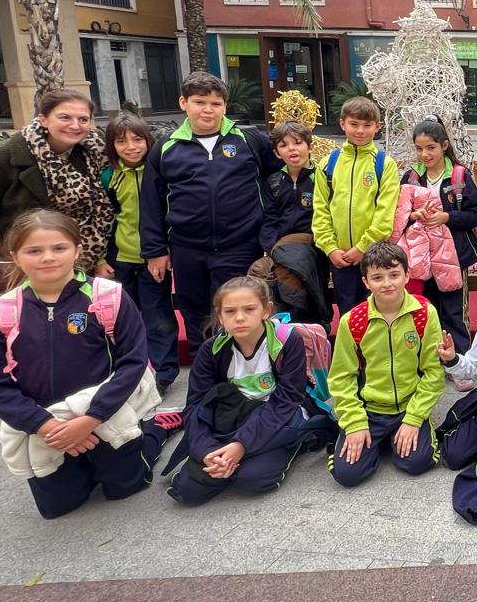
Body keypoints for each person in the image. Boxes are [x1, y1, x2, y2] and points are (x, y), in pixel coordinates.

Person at [0, 210, 164, 519]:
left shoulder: (109, 297)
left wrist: (90, 420)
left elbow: (134, 362)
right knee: (58, 508)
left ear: (77, 250)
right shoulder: (1, 312)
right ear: (15, 256)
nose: (48, 257)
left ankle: (155, 429)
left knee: (126, 487)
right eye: (34, 250)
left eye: (59, 247)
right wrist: (45, 425)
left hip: (105, 414)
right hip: (46, 425)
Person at [141, 72, 274, 345]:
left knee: (237, 313)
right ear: (183, 103)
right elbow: (151, 202)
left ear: (225, 106)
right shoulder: (166, 147)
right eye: (199, 102)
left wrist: (270, 231)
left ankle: (238, 366)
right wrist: (154, 251)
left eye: (215, 103)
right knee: (195, 313)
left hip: (239, 246)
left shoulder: (249, 140)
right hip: (187, 249)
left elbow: (279, 178)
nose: (208, 110)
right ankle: (203, 367)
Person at [0, 88, 113, 303]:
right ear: (43, 119)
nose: (75, 125)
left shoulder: (97, 150)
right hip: (24, 268)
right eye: (64, 117)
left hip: (83, 262)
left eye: (83, 119)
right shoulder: (0, 158)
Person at [167, 276, 314, 506]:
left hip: (277, 415)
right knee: (187, 491)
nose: (239, 317)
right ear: (220, 316)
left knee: (252, 480)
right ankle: (227, 459)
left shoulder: (287, 341)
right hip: (231, 417)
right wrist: (207, 452)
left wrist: (240, 445)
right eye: (230, 311)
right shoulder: (211, 349)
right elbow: (195, 405)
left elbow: (288, 399)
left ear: (266, 310)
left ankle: (294, 444)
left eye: (249, 309)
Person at [325, 240, 444, 487]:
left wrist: (414, 418)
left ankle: (399, 438)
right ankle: (374, 440)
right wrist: (355, 423)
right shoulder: (353, 321)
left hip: (409, 405)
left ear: (407, 275)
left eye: (394, 275)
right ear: (366, 282)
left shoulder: (424, 313)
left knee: (417, 462)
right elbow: (341, 378)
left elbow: (433, 372)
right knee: (347, 474)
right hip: (369, 409)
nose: (387, 283)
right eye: (377, 278)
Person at [100, 111, 179, 396]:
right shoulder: (108, 176)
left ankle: (163, 374)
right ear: (112, 146)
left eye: (137, 139)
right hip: (120, 260)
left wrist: (166, 251)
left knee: (158, 317)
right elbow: (101, 220)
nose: (131, 147)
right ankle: (129, 373)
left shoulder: (159, 171)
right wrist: (100, 259)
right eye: (121, 141)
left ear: (148, 140)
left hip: (154, 259)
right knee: (122, 319)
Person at [400, 118, 477, 349]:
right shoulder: (411, 177)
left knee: (454, 311)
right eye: (419, 149)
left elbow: (476, 213)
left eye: (431, 147)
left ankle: (459, 358)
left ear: (444, 146)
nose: (425, 154)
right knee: (424, 308)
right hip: (420, 257)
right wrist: (414, 215)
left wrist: (447, 217)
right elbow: (398, 215)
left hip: (453, 257)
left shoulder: (459, 176)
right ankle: (428, 357)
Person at [313, 95, 400, 314]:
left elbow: (385, 214)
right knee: (349, 314)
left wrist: (363, 248)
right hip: (340, 257)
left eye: (367, 125)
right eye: (354, 124)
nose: (360, 131)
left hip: (374, 256)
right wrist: (330, 248)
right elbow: (320, 210)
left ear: (377, 127)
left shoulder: (384, 165)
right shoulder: (328, 164)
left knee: (378, 312)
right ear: (343, 124)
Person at [258, 120, 330, 330]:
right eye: (284, 145)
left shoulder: (321, 178)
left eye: (298, 143)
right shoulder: (273, 181)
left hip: (314, 247)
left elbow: (326, 215)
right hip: (281, 248)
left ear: (310, 147)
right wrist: (273, 247)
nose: (292, 149)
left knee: (314, 290)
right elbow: (268, 219)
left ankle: (317, 328)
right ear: (277, 152)